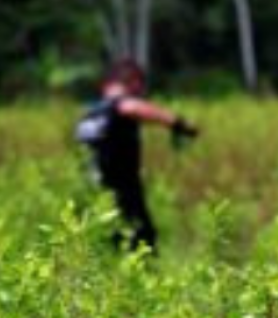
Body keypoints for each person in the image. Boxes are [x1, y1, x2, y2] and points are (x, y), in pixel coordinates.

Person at [75, 59, 199, 253]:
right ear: (134, 82)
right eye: (140, 86)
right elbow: (130, 107)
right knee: (142, 246)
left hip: (93, 196)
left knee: (106, 251)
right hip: (121, 196)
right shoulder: (119, 105)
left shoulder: (89, 115)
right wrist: (177, 123)